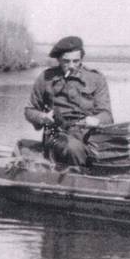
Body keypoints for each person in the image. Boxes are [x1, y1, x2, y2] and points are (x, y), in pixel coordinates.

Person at [24, 36, 113, 166]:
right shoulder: (46, 78)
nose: (71, 66)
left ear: (82, 59)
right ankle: (84, 178)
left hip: (89, 134)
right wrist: (43, 117)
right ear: (59, 60)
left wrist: (96, 120)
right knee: (73, 148)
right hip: (57, 135)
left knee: (117, 148)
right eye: (66, 61)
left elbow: (107, 115)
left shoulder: (96, 79)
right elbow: (29, 110)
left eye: (76, 61)